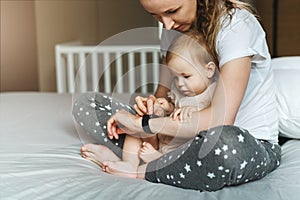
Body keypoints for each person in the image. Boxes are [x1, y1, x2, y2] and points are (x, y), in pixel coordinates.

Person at [74, 0, 281, 191]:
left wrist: (141, 125)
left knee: (226, 144)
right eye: (156, 16)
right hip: (177, 137)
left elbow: (220, 121)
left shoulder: (236, 26)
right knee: (87, 105)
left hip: (241, 141)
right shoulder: (172, 29)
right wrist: (150, 108)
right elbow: (163, 95)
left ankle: (140, 170)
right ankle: (148, 160)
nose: (167, 24)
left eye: (172, 11)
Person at [101, 31, 217, 177]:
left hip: (180, 151)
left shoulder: (213, 93)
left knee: (195, 151)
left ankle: (156, 161)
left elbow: (212, 119)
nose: (180, 84)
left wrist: (193, 112)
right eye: (175, 77)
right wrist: (165, 107)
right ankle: (129, 163)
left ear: (209, 70)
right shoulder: (179, 90)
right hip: (163, 140)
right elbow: (172, 110)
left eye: (186, 76)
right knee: (135, 127)